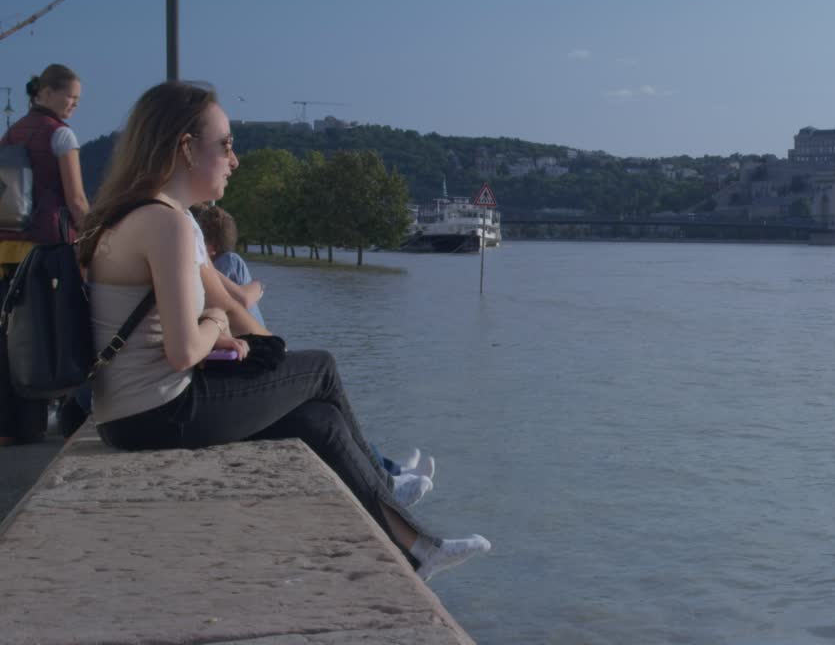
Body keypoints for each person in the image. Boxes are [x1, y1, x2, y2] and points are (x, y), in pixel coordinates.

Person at [79, 80, 489, 582]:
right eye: (226, 144)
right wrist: (215, 323)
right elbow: (185, 349)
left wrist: (227, 335)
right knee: (320, 367)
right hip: (158, 413)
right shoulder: (168, 223)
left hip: (127, 414)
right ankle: (389, 484)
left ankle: (417, 550)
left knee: (318, 422)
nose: (235, 159)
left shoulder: (135, 215)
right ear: (185, 148)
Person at [192, 202, 436, 505]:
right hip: (252, 355)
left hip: (243, 354)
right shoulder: (225, 261)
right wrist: (257, 285)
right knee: (323, 391)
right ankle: (388, 476)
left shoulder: (196, 260)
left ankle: (390, 471)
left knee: (327, 405)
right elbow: (241, 300)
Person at [0, 64, 92, 446]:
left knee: (9, 338)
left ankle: (9, 426)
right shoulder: (61, 136)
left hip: (7, 250)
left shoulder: (12, 133)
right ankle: (54, 417)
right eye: (70, 98)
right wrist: (98, 236)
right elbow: (75, 199)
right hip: (46, 252)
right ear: (47, 93)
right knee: (48, 334)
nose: (73, 106)